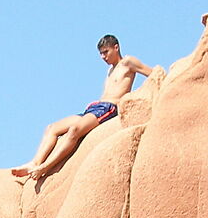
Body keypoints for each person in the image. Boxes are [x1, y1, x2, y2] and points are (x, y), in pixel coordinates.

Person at [12, 35, 166, 183]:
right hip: (95, 107)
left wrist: (139, 97)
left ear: (116, 47)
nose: (103, 57)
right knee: (52, 128)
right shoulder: (110, 70)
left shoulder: (128, 62)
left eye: (106, 52)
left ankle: (46, 166)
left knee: (75, 130)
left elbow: (152, 74)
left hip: (109, 108)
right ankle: (35, 162)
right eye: (101, 54)